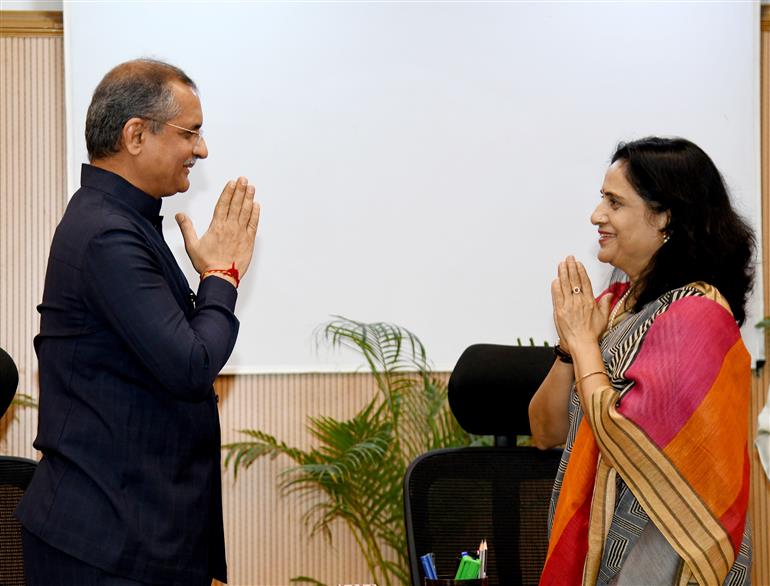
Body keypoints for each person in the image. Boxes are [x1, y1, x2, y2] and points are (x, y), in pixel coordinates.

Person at [15, 59, 260, 586]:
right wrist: (223, 276)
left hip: (131, 536)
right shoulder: (108, 234)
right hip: (104, 547)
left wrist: (212, 280)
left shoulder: (124, 222)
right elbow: (191, 364)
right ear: (135, 135)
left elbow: (174, 351)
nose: (202, 149)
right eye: (190, 132)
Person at [529, 137, 754, 586]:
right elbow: (545, 431)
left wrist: (586, 346)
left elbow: (625, 437)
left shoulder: (697, 316)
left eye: (615, 203)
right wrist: (569, 347)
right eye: (601, 200)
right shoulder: (614, 309)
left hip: (662, 560)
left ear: (665, 216)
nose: (597, 216)